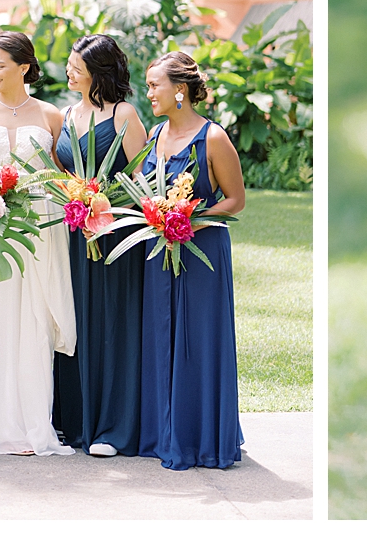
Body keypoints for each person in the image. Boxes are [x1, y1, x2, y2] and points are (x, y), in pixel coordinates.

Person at [0, 32, 74, 456]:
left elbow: (64, 176)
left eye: (0, 65)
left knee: (35, 324)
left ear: (24, 67)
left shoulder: (50, 115)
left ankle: (35, 422)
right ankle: (1, 426)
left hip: (40, 228)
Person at [138, 51, 245, 470]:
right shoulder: (153, 134)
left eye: (154, 85)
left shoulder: (213, 138)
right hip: (159, 252)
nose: (149, 93)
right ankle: (167, 432)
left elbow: (236, 200)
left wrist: (190, 219)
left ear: (179, 90)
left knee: (199, 341)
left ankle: (205, 439)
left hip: (202, 253)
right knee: (163, 338)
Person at [51, 35, 150, 457]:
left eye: (76, 65)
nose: (69, 70)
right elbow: (60, 170)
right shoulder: (65, 113)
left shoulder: (124, 114)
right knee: (74, 322)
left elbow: (142, 179)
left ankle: (112, 426)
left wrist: (103, 207)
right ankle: (72, 422)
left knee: (111, 324)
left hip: (113, 236)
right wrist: (75, 198)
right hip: (72, 235)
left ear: (98, 71)